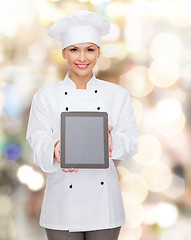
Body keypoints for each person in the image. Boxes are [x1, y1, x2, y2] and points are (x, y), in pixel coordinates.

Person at [26, 10, 139, 240]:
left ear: (98, 53)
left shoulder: (117, 96)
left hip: (104, 205)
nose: (82, 58)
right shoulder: (46, 96)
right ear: (64, 53)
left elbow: (131, 144)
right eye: (74, 50)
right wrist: (54, 149)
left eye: (89, 50)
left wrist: (112, 142)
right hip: (62, 204)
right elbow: (36, 139)